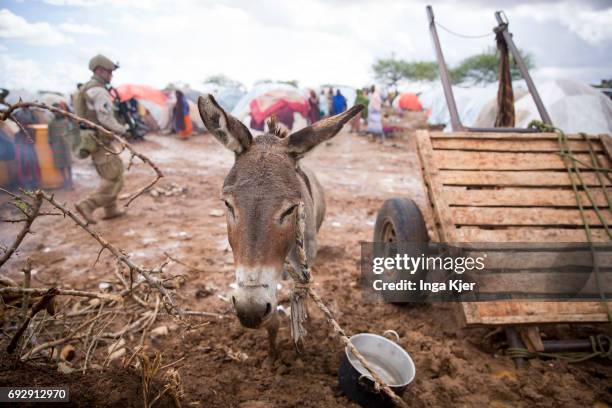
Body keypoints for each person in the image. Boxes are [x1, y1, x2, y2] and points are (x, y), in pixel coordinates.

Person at [74, 54, 128, 224]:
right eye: (109, 72)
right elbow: (105, 118)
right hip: (99, 141)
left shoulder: (87, 88)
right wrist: (122, 130)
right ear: (99, 70)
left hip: (93, 140)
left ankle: (111, 210)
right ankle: (87, 205)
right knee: (114, 176)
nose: (111, 75)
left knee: (110, 174)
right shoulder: (98, 91)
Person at [48, 102, 75, 188]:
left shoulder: (66, 121)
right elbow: (49, 137)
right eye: (55, 111)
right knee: (60, 164)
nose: (57, 113)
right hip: (57, 146)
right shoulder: (51, 124)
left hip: (65, 145)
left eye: (58, 111)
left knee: (68, 164)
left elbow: (71, 133)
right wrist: (51, 145)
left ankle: (70, 181)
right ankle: (65, 181)